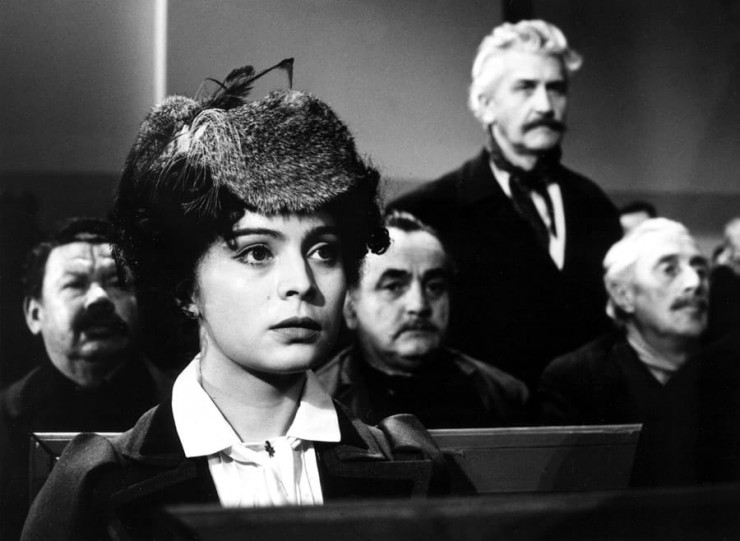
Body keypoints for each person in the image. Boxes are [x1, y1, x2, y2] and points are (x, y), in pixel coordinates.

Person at [22, 64, 446, 541]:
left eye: (323, 252)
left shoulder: (407, 463)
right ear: (186, 287)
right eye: (257, 253)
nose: (301, 283)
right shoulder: (98, 484)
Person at [390, 20, 621, 389]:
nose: (545, 105)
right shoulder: (428, 212)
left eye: (556, 88)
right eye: (526, 88)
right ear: (485, 105)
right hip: (478, 413)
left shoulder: (594, 205)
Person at [0, 217, 170, 541]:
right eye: (75, 284)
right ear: (35, 314)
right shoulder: (5, 418)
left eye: (117, 282)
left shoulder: (184, 409)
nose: (100, 298)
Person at [536, 218, 709, 486]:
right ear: (623, 294)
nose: (694, 282)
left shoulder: (727, 368)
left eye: (700, 269)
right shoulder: (577, 379)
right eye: (670, 270)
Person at [317, 210, 528, 428]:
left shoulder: (505, 395)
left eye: (434, 287)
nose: (419, 306)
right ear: (350, 307)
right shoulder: (316, 401)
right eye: (393, 287)